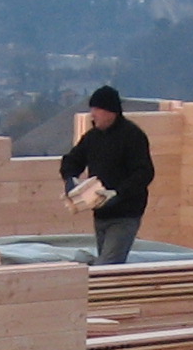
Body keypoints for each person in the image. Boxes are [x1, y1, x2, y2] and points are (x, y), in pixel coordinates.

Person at [62, 85, 154, 264]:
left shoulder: (132, 136)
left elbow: (144, 173)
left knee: (109, 265)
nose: (93, 114)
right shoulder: (92, 138)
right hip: (101, 213)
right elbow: (72, 160)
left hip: (125, 214)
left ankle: (84, 264)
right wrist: (70, 179)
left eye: (97, 109)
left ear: (110, 112)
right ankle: (85, 263)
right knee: (105, 264)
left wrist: (118, 193)